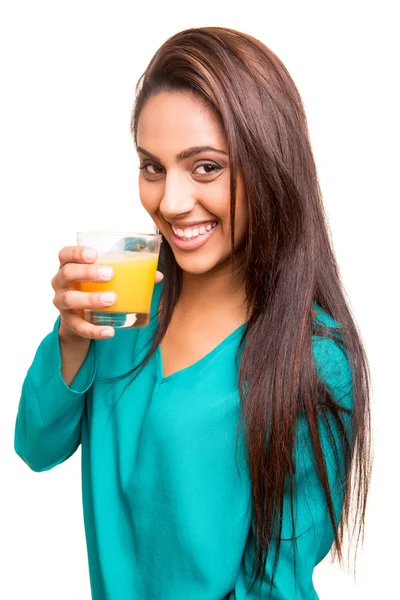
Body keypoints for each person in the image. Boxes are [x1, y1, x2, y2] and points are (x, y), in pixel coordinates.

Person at [14, 26, 372, 600]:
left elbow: (273, 587)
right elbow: (35, 446)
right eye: (151, 167)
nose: (171, 202)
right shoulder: (120, 308)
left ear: (270, 166)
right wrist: (70, 335)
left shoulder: (314, 360)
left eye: (205, 167)